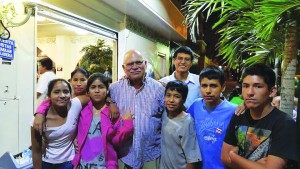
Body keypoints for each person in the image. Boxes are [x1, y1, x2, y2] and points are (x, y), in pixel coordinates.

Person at [221, 63, 299, 169]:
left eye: (258, 86)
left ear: (272, 92)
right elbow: (225, 157)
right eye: (246, 86)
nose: (250, 92)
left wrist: (234, 157)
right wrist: (256, 165)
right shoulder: (239, 115)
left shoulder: (284, 123)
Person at [109, 50, 165, 169]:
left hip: (150, 155)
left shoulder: (159, 89)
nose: (134, 67)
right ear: (124, 68)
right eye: (130, 64)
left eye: (138, 62)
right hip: (124, 155)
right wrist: (110, 101)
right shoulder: (114, 89)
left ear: (145, 64)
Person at [73, 73, 134, 168]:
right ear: (88, 91)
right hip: (82, 164)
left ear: (107, 89)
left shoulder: (112, 112)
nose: (97, 91)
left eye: (101, 87)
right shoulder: (82, 109)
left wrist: (128, 126)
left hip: (105, 164)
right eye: (93, 87)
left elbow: (116, 141)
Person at [31, 79, 89, 169]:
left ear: (70, 94)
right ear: (49, 95)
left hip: (69, 163)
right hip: (47, 163)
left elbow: (95, 95)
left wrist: (110, 102)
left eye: (66, 92)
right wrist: (39, 113)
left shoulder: (74, 105)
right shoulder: (38, 120)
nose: (62, 95)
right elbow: (36, 151)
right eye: (57, 92)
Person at [187, 66, 237, 169]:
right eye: (204, 86)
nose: (208, 90)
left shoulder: (233, 110)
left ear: (223, 87)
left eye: (213, 86)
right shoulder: (196, 106)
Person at [160, 80, 202, 169]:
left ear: (183, 99)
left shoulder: (187, 122)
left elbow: (191, 158)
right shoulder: (164, 113)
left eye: (176, 96)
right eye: (168, 95)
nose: (171, 100)